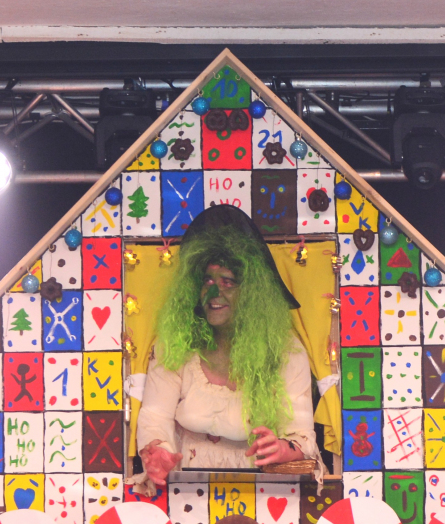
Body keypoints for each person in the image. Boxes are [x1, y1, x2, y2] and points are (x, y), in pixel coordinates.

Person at [135, 206, 316, 485]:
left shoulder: (285, 352)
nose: (214, 292)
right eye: (207, 280)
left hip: (261, 491)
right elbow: (155, 416)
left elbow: (301, 434)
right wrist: (158, 451)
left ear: (252, 293)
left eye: (228, 282)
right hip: (186, 489)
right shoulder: (176, 343)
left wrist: (282, 450)